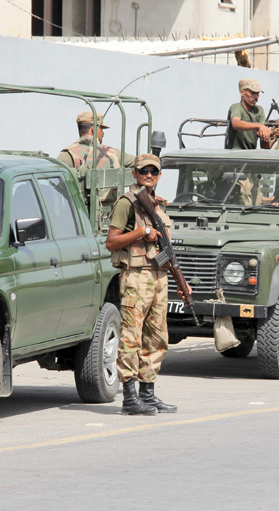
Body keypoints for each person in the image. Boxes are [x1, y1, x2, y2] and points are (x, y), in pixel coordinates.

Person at [106, 154, 179, 416]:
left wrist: (179, 279)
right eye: (143, 171)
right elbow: (111, 242)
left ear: (159, 176)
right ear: (135, 174)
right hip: (136, 277)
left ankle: (148, 394)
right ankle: (129, 398)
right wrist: (141, 233)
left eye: (154, 171)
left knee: (157, 337)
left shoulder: (159, 205)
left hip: (159, 276)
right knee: (131, 337)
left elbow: (166, 246)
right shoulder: (127, 203)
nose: (148, 175)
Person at [58, 111, 136, 169]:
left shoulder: (66, 154)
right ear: (93, 130)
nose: (103, 133)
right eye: (101, 129)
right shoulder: (113, 153)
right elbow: (141, 162)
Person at [225, 78, 272, 150]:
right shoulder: (236, 107)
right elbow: (236, 123)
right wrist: (259, 126)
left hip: (250, 156)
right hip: (234, 155)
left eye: (257, 93)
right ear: (242, 93)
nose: (256, 97)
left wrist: (269, 135)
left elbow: (264, 146)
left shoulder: (259, 110)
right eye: (253, 93)